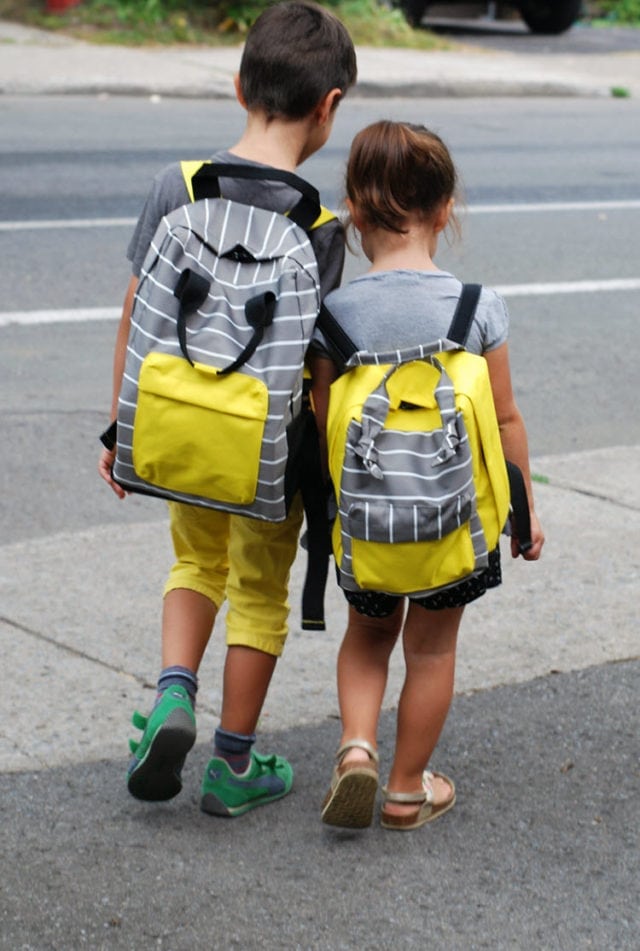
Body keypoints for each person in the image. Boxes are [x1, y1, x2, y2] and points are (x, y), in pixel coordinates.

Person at [98, 1, 357, 816]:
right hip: (265, 454)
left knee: (193, 563)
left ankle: (174, 695)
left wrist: (122, 428)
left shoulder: (176, 187)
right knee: (257, 590)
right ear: (331, 108)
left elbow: (136, 309)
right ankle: (233, 763)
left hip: (176, 427)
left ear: (239, 83)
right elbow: (317, 369)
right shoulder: (318, 226)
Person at [309, 120, 544, 831]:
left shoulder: (336, 317)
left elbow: (325, 426)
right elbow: (503, 421)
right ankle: (409, 789)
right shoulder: (479, 308)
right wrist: (523, 512)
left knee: (368, 637)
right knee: (433, 648)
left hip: (368, 523)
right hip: (453, 523)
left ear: (353, 211)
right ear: (446, 210)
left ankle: (357, 747)